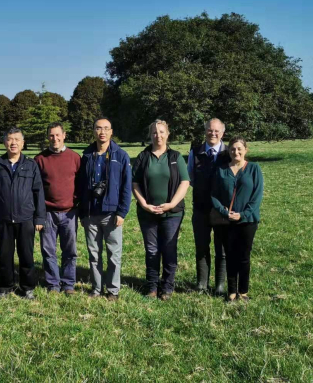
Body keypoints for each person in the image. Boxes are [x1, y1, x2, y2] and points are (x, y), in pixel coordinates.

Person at [0, 128, 46, 300]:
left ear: (23, 143)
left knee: (26, 255)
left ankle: (27, 287)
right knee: (5, 255)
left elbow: (38, 192)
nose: (13, 143)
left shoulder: (31, 165)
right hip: (3, 219)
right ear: (4, 142)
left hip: (26, 219)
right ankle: (5, 287)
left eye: (17, 139)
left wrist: (40, 218)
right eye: (10, 139)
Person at [132, 120, 190, 301]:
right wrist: (143, 203)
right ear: (151, 135)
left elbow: (185, 182)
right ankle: (152, 286)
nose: (158, 135)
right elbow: (135, 183)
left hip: (172, 213)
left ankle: (167, 286)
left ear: (168, 133)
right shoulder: (143, 157)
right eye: (155, 132)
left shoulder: (176, 157)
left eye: (162, 132)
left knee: (169, 248)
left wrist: (172, 203)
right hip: (147, 213)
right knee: (151, 250)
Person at [77, 118, 132, 300]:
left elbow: (126, 186)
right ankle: (96, 288)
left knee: (113, 255)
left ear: (111, 131)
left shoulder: (120, 156)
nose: (102, 132)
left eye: (106, 128)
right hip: (91, 213)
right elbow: (80, 186)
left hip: (112, 213)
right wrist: (83, 213)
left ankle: (113, 290)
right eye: (98, 128)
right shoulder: (86, 155)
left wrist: (122, 212)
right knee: (94, 254)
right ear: (93, 131)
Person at [211, 136, 263, 303]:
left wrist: (243, 214)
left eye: (239, 148)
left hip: (247, 221)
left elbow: (257, 196)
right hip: (226, 221)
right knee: (230, 256)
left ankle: (243, 291)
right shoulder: (221, 170)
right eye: (233, 149)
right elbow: (214, 195)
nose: (236, 152)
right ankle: (232, 292)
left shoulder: (254, 169)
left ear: (246, 150)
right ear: (229, 151)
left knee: (244, 256)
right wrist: (223, 211)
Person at [34, 123, 81, 295]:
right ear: (48, 137)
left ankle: (68, 284)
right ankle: (53, 284)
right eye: (51, 135)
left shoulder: (74, 158)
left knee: (70, 251)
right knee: (48, 251)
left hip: (69, 212)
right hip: (48, 212)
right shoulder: (40, 159)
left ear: (64, 135)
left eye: (57, 135)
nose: (55, 138)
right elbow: (35, 188)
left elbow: (80, 184)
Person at [187, 118, 230, 294]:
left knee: (222, 249)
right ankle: (201, 284)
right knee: (201, 247)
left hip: (222, 210)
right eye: (209, 130)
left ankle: (219, 285)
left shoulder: (229, 153)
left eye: (216, 131)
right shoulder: (195, 152)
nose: (213, 133)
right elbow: (189, 178)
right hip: (200, 208)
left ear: (223, 132)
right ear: (205, 131)